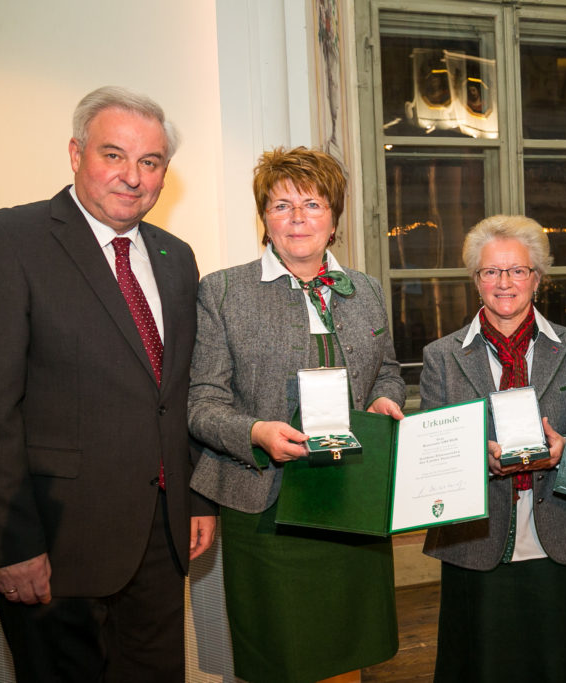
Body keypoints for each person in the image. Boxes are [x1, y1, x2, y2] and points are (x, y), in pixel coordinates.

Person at [0, 86, 217, 682]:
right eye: (113, 155)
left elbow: (177, 393)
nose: (133, 177)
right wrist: (8, 545)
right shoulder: (7, 241)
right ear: (75, 153)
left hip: (161, 541)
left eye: (151, 162)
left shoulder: (176, 256)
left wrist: (195, 499)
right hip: (55, 546)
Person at [187, 146, 405, 683]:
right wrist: (255, 431)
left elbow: (388, 371)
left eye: (312, 204)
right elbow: (201, 402)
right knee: (281, 656)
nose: (298, 218)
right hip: (266, 502)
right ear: (264, 219)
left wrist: (384, 400)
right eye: (282, 206)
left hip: (352, 494)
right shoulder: (224, 291)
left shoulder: (366, 288)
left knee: (346, 649)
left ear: (334, 218)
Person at [420, 214, 566, 682]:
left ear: (537, 278)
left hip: (563, 536)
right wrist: (477, 458)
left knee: (565, 667)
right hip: (477, 543)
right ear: (475, 280)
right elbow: (431, 454)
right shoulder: (441, 356)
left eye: (517, 270)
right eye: (490, 271)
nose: (503, 282)